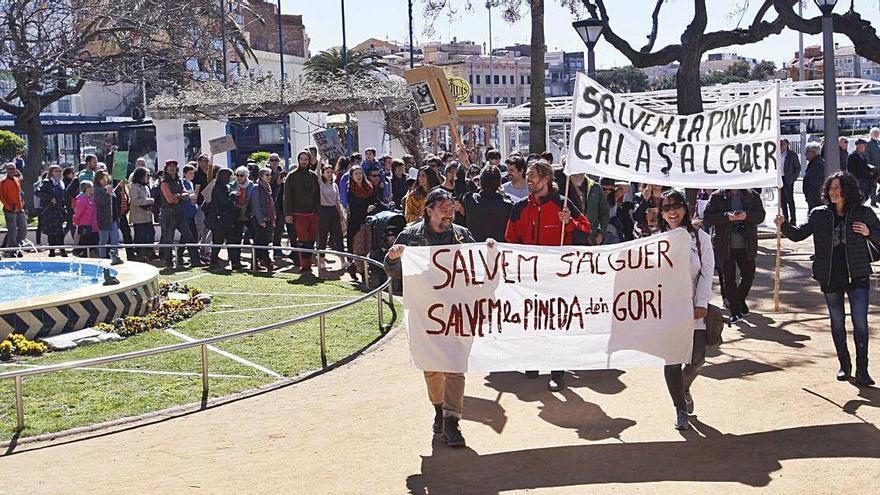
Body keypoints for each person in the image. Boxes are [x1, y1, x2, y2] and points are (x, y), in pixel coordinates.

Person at [384, 188, 476, 448]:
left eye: (452, 207)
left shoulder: (462, 235)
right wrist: (392, 258)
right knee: (432, 366)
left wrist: (489, 252)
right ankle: (439, 409)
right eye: (444, 207)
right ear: (429, 209)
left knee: (456, 365)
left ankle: (452, 420)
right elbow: (394, 271)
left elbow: (478, 264)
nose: (450, 212)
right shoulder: (410, 237)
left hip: (457, 310)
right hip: (425, 314)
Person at [776, 172, 880, 386]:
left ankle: (863, 369)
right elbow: (798, 235)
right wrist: (783, 224)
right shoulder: (819, 214)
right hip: (831, 275)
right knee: (837, 321)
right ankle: (845, 364)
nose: (833, 192)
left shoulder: (863, 212)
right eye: (831, 188)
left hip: (858, 274)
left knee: (860, 322)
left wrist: (869, 232)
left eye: (838, 188)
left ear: (847, 190)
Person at [505, 160, 591, 391]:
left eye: (532, 176)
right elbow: (510, 238)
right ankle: (533, 360)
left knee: (556, 322)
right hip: (529, 276)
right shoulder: (520, 207)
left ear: (546, 178)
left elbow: (586, 230)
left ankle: (557, 371)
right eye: (529, 176)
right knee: (531, 319)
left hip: (557, 277)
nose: (528, 180)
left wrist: (570, 223)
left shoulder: (563, 204)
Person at [657, 189, 714, 430]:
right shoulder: (654, 240)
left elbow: (707, 271)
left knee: (698, 359)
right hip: (667, 310)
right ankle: (680, 408)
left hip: (693, 308)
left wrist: (701, 302)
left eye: (676, 206)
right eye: (666, 208)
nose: (672, 212)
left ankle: (684, 386)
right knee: (672, 361)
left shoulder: (700, 238)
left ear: (685, 208)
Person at [702, 188, 765, 322]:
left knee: (749, 274)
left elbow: (760, 216)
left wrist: (746, 215)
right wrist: (726, 217)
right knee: (728, 278)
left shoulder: (752, 196)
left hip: (746, 243)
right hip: (725, 244)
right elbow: (707, 218)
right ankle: (735, 310)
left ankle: (739, 300)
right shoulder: (717, 196)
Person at [158, 160, 202, 269]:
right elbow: (170, 199)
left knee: (189, 236)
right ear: (166, 169)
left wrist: (179, 196)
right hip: (168, 214)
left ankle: (196, 260)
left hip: (179, 213)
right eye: (170, 166)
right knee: (168, 240)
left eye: (174, 166)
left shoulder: (178, 181)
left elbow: (186, 193)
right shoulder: (164, 183)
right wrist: (180, 196)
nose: (172, 168)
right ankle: (168, 263)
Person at [284, 150, 321, 274]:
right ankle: (304, 266)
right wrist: (288, 213)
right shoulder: (292, 176)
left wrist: (317, 211)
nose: (304, 161)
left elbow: (317, 195)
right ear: (298, 160)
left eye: (306, 159)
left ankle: (309, 265)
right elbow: (287, 196)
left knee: (311, 240)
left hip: (312, 213)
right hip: (298, 213)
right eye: (302, 159)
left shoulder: (313, 176)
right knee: (303, 240)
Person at [557, 169, 609, 245]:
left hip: (591, 238)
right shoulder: (561, 187)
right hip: (569, 238)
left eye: (580, 170)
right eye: (574, 170)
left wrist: (601, 233)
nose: (577, 174)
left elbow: (604, 213)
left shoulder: (595, 188)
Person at [460, 166, 512, 242]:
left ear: (480, 182)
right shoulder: (508, 206)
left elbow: (460, 183)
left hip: (475, 249)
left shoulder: (470, 200)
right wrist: (504, 195)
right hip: (500, 250)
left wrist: (462, 165)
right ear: (500, 183)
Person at [346, 165, 375, 282]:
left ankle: (353, 267)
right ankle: (363, 273)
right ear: (352, 176)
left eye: (360, 173)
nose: (359, 176)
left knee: (368, 247)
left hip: (368, 222)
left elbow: (375, 200)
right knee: (358, 249)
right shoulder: (350, 190)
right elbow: (354, 208)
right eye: (356, 174)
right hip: (356, 224)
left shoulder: (369, 187)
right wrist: (365, 209)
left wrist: (373, 207)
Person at [208, 168, 238, 268]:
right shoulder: (218, 188)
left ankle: (234, 262)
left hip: (226, 219)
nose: (230, 178)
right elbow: (224, 203)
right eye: (229, 176)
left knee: (231, 240)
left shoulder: (225, 187)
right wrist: (233, 196)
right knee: (218, 240)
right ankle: (213, 260)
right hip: (219, 219)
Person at [317, 164, 345, 271]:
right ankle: (322, 261)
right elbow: (317, 171)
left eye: (330, 172)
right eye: (327, 172)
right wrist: (320, 159)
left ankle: (343, 261)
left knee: (338, 236)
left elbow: (337, 201)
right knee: (323, 236)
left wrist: (341, 214)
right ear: (323, 174)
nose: (329, 174)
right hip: (323, 211)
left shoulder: (335, 185)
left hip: (334, 211)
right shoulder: (321, 184)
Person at [227, 166, 255, 270]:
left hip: (248, 214)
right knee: (236, 239)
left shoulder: (252, 185)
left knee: (255, 237)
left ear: (246, 176)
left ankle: (255, 262)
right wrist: (237, 205)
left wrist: (246, 206)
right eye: (237, 175)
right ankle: (235, 262)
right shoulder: (232, 186)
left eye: (241, 175)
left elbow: (253, 199)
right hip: (236, 215)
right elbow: (230, 199)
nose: (239, 177)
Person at [93, 171, 123, 265]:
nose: (105, 180)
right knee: (104, 240)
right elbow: (101, 202)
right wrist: (108, 193)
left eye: (106, 178)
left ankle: (115, 257)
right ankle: (103, 258)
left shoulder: (107, 188)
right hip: (104, 219)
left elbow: (113, 196)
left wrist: (119, 186)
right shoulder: (97, 190)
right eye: (102, 178)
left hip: (113, 218)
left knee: (115, 239)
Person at [249, 167, 276, 271]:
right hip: (259, 218)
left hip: (268, 218)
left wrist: (272, 218)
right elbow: (256, 205)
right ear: (261, 176)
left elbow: (271, 204)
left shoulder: (268, 187)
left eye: (269, 175)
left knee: (261, 241)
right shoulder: (257, 188)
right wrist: (260, 220)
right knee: (261, 242)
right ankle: (267, 262)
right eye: (267, 175)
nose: (269, 177)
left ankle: (258, 262)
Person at [37, 165, 67, 257]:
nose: (58, 173)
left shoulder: (60, 183)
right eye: (56, 171)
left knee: (60, 232)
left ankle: (62, 250)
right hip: (50, 211)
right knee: (52, 232)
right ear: (51, 172)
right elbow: (37, 192)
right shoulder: (47, 182)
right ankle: (52, 252)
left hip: (59, 211)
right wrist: (50, 198)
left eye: (59, 171)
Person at [128, 167, 155, 261]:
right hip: (138, 216)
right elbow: (135, 201)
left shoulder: (146, 187)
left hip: (147, 216)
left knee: (150, 233)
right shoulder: (133, 186)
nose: (148, 177)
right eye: (146, 175)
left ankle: (149, 252)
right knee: (140, 236)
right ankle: (140, 254)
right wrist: (149, 201)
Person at [0, 163, 26, 257]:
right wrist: (9, 207)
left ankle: (17, 247)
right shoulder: (2, 182)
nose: (11, 171)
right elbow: (2, 197)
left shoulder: (17, 180)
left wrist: (22, 206)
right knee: (12, 231)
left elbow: (19, 195)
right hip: (9, 210)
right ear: (6, 170)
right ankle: (13, 251)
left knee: (23, 229)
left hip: (20, 209)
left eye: (13, 169)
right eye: (9, 169)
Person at [603, 179, 636, 245]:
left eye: (610, 189)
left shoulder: (613, 196)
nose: (607, 191)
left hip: (613, 234)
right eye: (604, 189)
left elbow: (626, 187)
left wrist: (614, 185)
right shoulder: (594, 197)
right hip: (600, 233)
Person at [72, 180, 98, 256]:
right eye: (91, 187)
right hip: (85, 226)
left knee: (91, 245)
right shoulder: (82, 198)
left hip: (91, 226)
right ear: (87, 188)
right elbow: (78, 212)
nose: (93, 188)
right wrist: (76, 220)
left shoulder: (90, 198)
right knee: (84, 246)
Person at [847, 138, 876, 204]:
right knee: (859, 196)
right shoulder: (852, 156)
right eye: (864, 146)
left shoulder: (863, 155)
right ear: (858, 146)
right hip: (858, 180)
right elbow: (850, 170)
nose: (865, 148)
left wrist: (870, 170)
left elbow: (864, 165)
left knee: (866, 196)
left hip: (865, 179)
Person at [780, 138, 802, 224]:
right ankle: (785, 219)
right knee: (782, 201)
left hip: (788, 179)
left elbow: (798, 168)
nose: (781, 146)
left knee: (790, 200)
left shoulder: (792, 154)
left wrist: (793, 178)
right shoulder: (776, 154)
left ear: (787, 145)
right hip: (780, 179)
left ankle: (793, 220)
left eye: (783, 144)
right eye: (780, 144)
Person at [803, 142, 826, 212]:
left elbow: (816, 184)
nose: (805, 154)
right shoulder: (814, 163)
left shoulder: (817, 165)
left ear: (813, 152)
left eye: (807, 151)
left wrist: (810, 196)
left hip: (815, 200)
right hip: (813, 199)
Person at [866, 128, 880, 207]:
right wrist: (870, 168)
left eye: (877, 133)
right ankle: (873, 202)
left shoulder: (878, 142)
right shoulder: (868, 143)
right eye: (875, 133)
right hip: (873, 169)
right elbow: (866, 156)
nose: (876, 134)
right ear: (871, 134)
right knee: (873, 186)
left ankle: (878, 198)